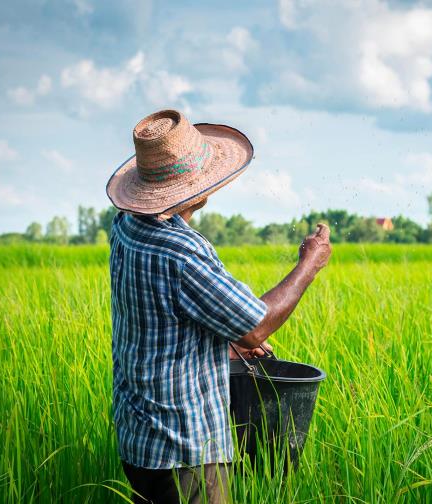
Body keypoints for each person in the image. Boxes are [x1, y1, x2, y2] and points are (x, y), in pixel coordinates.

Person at [105, 109, 332, 503]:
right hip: (184, 450)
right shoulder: (181, 252)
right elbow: (255, 326)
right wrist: (308, 265)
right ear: (194, 186)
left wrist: (225, 345)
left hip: (139, 438)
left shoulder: (126, 226)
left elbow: (159, 322)